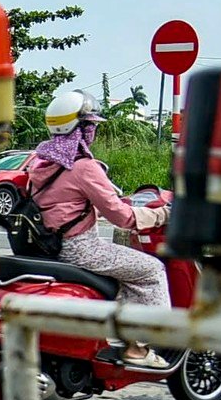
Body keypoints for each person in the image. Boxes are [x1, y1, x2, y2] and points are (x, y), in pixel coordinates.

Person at [27, 89, 172, 370]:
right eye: (90, 125)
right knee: (151, 270)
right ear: (80, 128)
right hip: (80, 249)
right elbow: (121, 217)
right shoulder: (82, 166)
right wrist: (161, 215)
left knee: (127, 270)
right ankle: (138, 348)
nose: (93, 131)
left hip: (47, 247)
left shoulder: (42, 161)